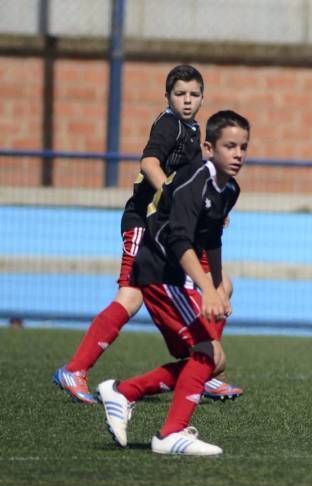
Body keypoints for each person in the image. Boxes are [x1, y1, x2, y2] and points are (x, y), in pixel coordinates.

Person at [52, 65, 243, 404]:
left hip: (168, 227)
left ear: (202, 98)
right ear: (167, 96)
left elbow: (198, 181)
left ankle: (205, 369)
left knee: (221, 284)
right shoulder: (170, 124)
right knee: (130, 297)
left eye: (194, 94)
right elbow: (149, 164)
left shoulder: (193, 128)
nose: (187, 100)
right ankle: (76, 369)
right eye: (179, 94)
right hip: (143, 222)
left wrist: (206, 211)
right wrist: (174, 197)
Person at [95, 109, 249, 456]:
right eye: (229, 146)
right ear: (209, 148)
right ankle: (170, 434)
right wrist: (207, 288)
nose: (238, 154)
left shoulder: (230, 189)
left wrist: (219, 280)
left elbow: (210, 237)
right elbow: (179, 239)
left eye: (243, 147)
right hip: (160, 270)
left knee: (211, 359)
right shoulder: (196, 180)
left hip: (177, 274)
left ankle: (124, 392)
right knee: (207, 353)